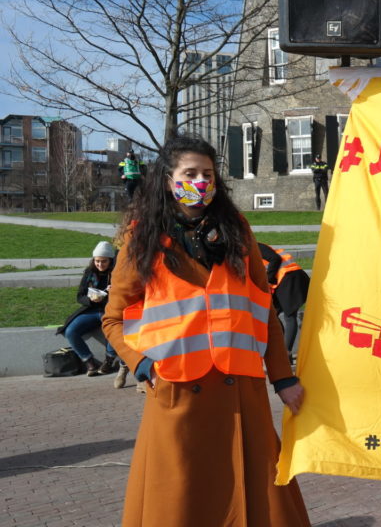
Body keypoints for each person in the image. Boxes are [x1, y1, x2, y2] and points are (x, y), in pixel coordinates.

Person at [102, 134, 311, 527]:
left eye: (208, 173)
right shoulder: (141, 239)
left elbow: (262, 307)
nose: (200, 181)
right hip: (177, 393)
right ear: (168, 179)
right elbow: (113, 317)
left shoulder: (237, 232)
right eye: (190, 173)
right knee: (178, 503)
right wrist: (143, 365)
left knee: (259, 503)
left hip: (241, 395)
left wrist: (284, 378)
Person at [58, 241, 121, 377]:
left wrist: (113, 291)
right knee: (71, 331)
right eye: (97, 261)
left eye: (103, 261)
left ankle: (109, 362)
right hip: (92, 309)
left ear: (111, 260)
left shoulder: (118, 273)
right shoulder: (90, 272)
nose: (100, 264)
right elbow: (80, 296)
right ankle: (89, 362)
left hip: (110, 310)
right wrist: (90, 299)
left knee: (113, 329)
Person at [259, 242, 311, 360]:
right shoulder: (243, 251)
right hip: (282, 280)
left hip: (291, 277)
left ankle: (286, 354)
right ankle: (281, 350)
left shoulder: (252, 246)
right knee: (272, 314)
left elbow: (275, 258)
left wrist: (269, 280)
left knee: (289, 316)